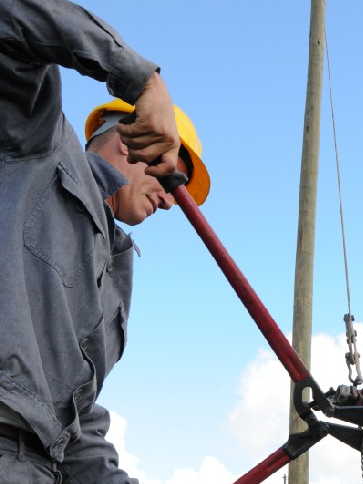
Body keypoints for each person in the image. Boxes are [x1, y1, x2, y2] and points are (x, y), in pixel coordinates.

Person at [0, 1, 205, 482]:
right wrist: (142, 80)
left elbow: (75, 417)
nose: (173, 202)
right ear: (130, 139)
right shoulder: (37, 143)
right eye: (171, 177)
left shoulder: (113, 280)